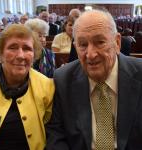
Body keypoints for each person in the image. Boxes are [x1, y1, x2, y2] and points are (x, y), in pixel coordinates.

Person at [46, 8, 142, 150]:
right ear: (75, 47)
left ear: (117, 42)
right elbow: (56, 135)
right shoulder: (63, 79)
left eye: (99, 42)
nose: (90, 54)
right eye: (83, 45)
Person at [0, 24, 55, 150]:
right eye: (13, 47)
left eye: (27, 49)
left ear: (34, 55)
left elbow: (52, 132)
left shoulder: (47, 86)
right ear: (0, 53)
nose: (21, 55)